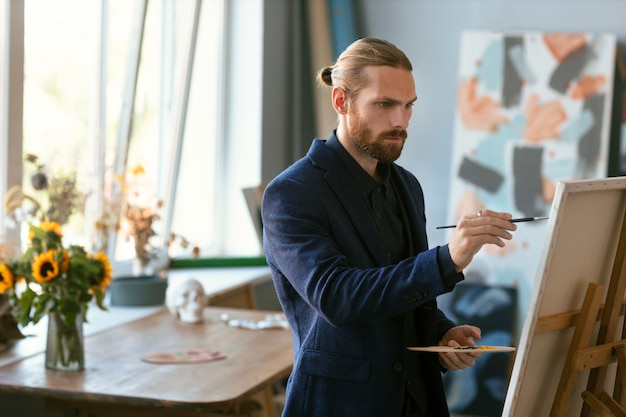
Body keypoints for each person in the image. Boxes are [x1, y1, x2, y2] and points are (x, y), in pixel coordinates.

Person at [261, 38, 516, 417]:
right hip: (339, 406)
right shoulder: (291, 194)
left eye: (408, 105)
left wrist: (440, 332)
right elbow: (338, 298)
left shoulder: (407, 185)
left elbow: (401, 291)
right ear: (341, 101)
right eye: (385, 105)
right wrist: (447, 260)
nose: (401, 121)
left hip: (417, 401)